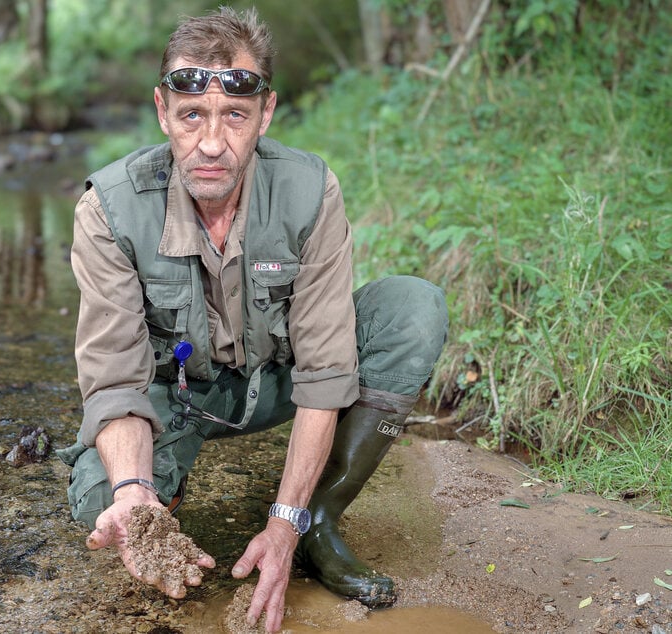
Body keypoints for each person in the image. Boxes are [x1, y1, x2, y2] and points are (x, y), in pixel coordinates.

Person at [57, 6, 449, 633]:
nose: (211, 143)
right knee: (101, 497)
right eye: (192, 117)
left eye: (235, 116)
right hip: (176, 397)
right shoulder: (109, 209)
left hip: (280, 380)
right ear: (164, 113)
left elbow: (323, 372)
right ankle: (164, 496)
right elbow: (115, 381)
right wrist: (136, 494)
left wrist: (284, 521)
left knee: (411, 309)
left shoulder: (309, 190)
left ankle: (321, 518)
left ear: (265, 114)